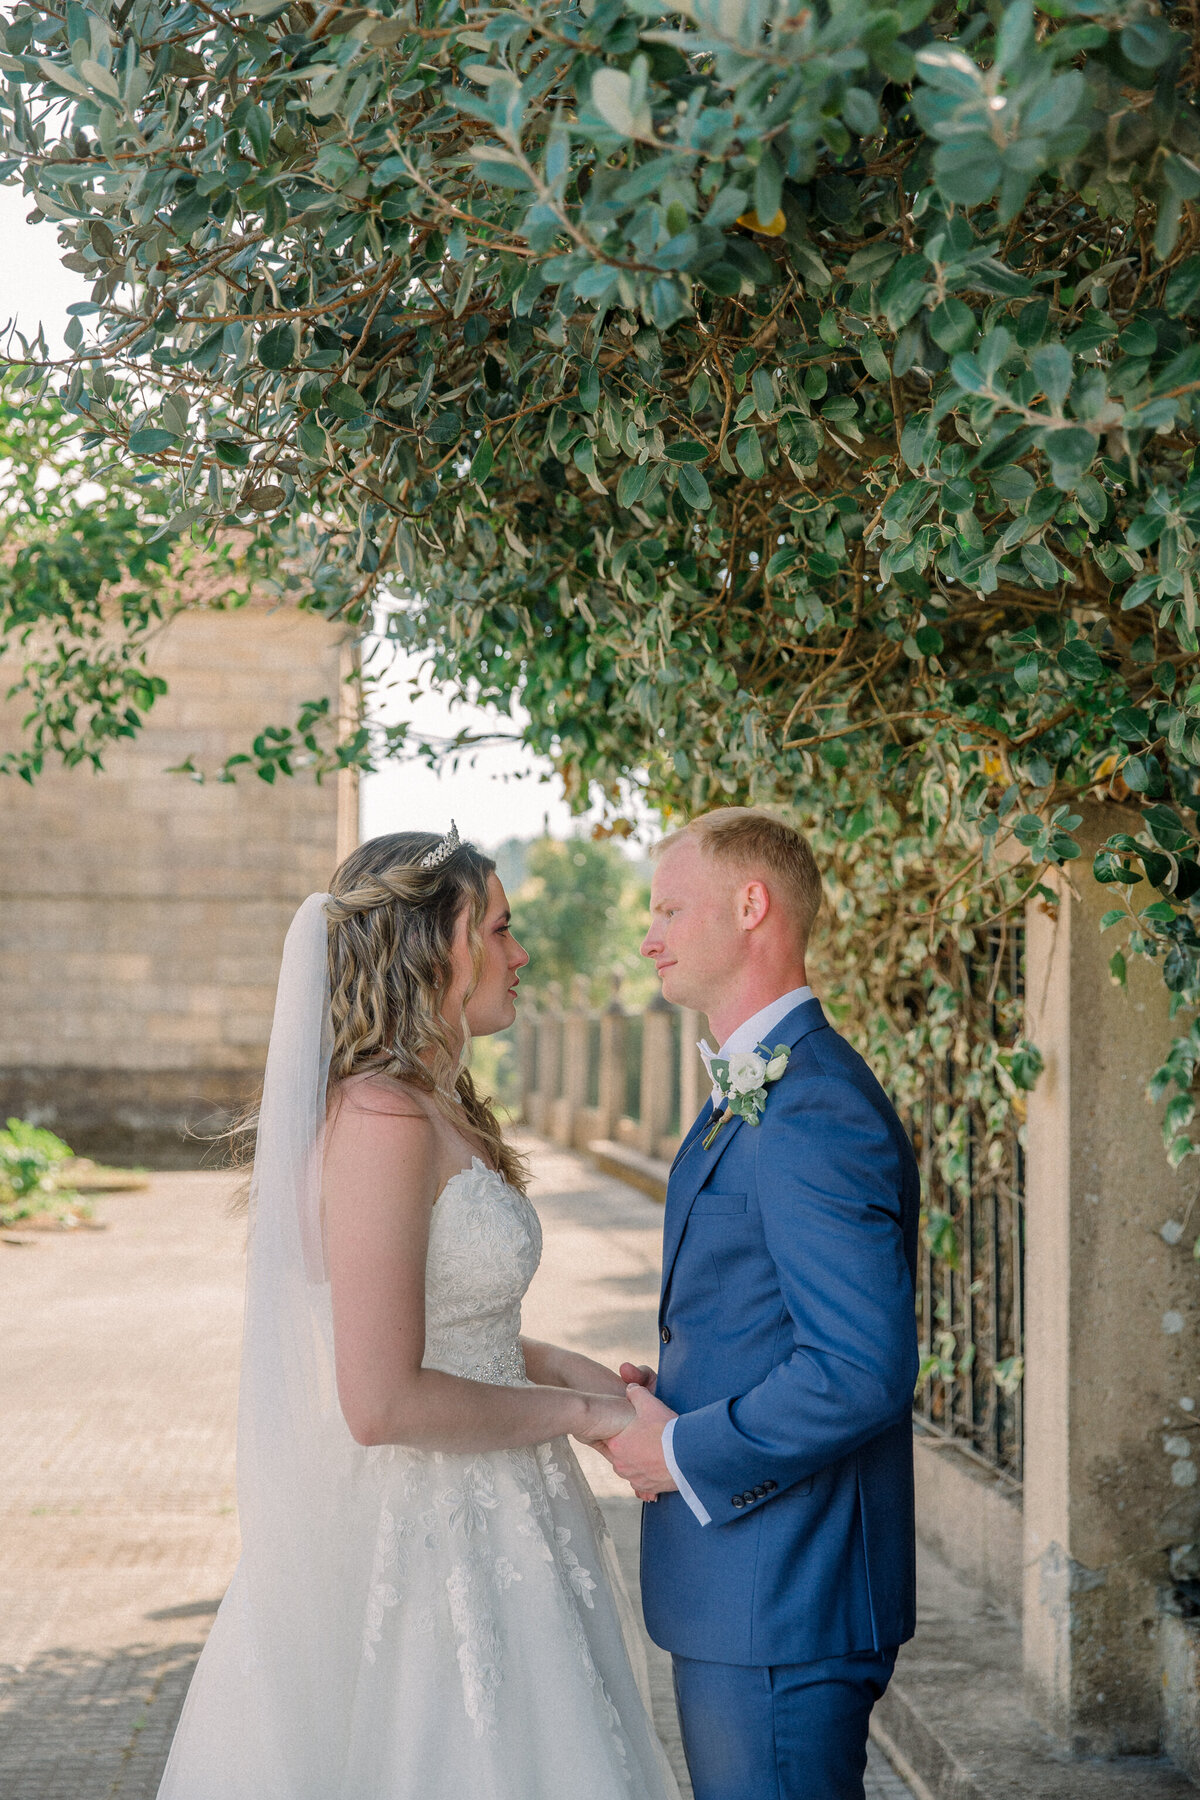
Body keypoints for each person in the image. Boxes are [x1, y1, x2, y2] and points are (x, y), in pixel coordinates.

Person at [156, 826, 680, 1800]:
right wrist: (592, 1419)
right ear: (438, 946)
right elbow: (381, 1400)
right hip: (430, 1535)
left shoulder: (437, 1105)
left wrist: (576, 1373)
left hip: (510, 1510)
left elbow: (443, 1325)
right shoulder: (382, 1120)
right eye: (503, 928)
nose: (521, 955)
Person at [601, 808, 920, 1800]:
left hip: (786, 1600)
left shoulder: (812, 1103)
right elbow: (780, 1319)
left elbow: (859, 1368)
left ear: (751, 905)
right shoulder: (753, 1090)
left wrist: (682, 1451)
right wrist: (681, 1391)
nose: (648, 935)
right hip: (754, 1593)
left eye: (668, 908)